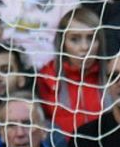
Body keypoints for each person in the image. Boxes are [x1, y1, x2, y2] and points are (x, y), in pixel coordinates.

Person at [37, 7, 106, 135]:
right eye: (75, 39)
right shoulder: (45, 79)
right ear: (62, 43)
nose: (84, 47)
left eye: (91, 38)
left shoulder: (114, 76)